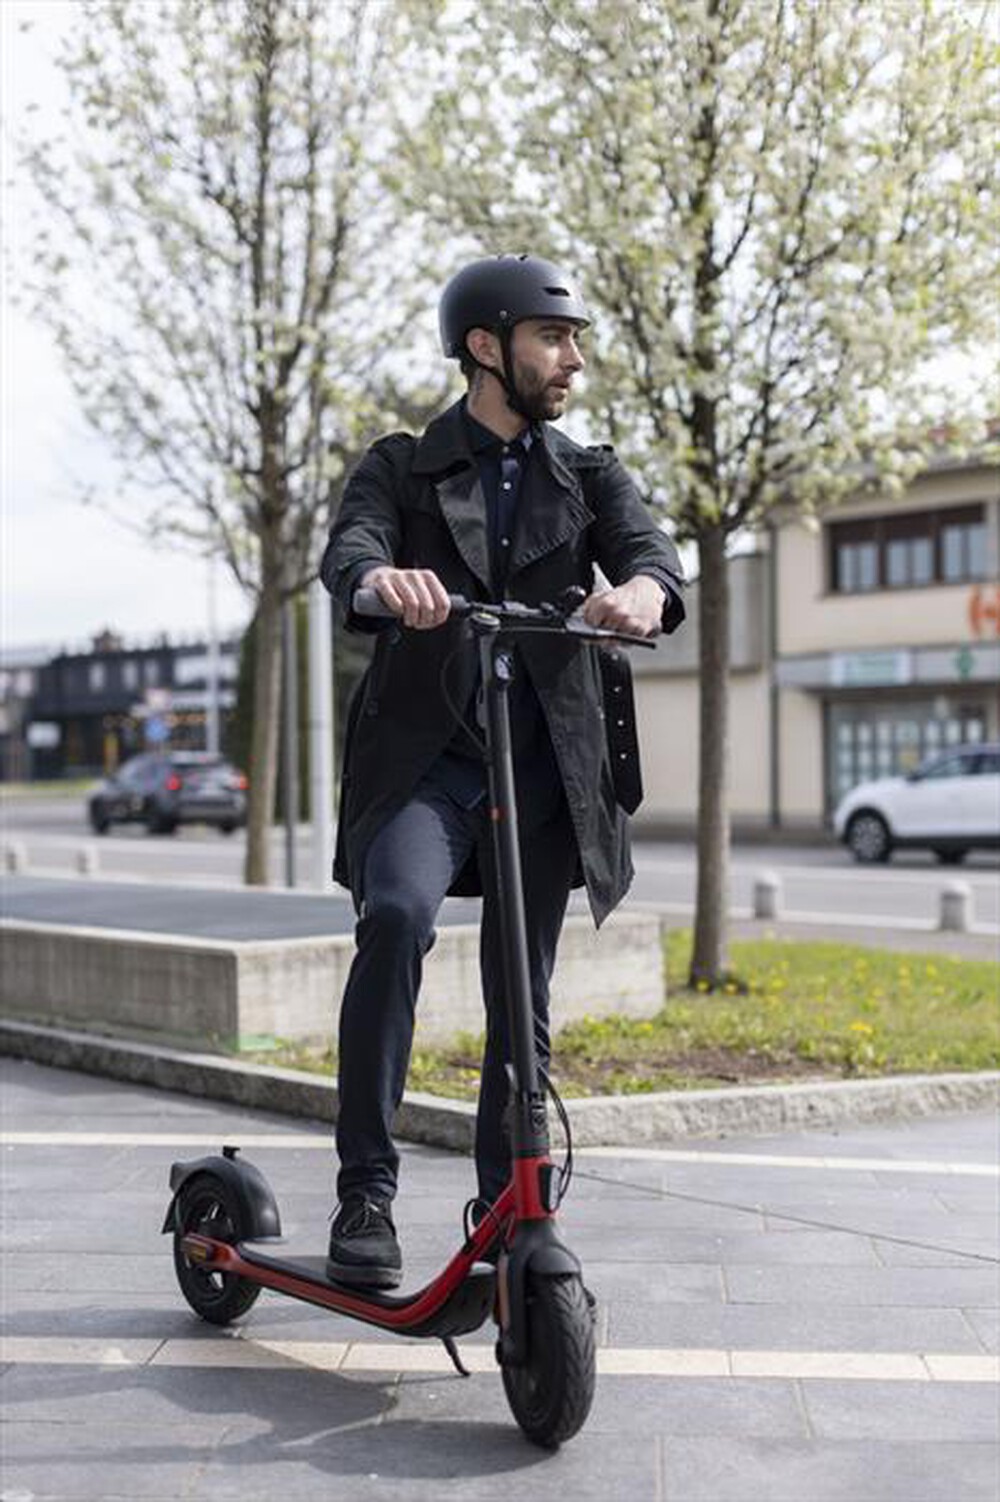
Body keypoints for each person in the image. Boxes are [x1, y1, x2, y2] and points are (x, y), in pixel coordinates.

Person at [319, 253, 684, 1288]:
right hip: (427, 762)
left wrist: (647, 592)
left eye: (572, 340)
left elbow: (652, 553)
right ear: (488, 347)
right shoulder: (402, 465)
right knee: (395, 917)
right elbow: (350, 549)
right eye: (551, 338)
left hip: (542, 769)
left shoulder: (589, 472)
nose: (571, 358)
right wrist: (381, 580)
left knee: (519, 990)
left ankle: (506, 1199)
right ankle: (366, 1191)